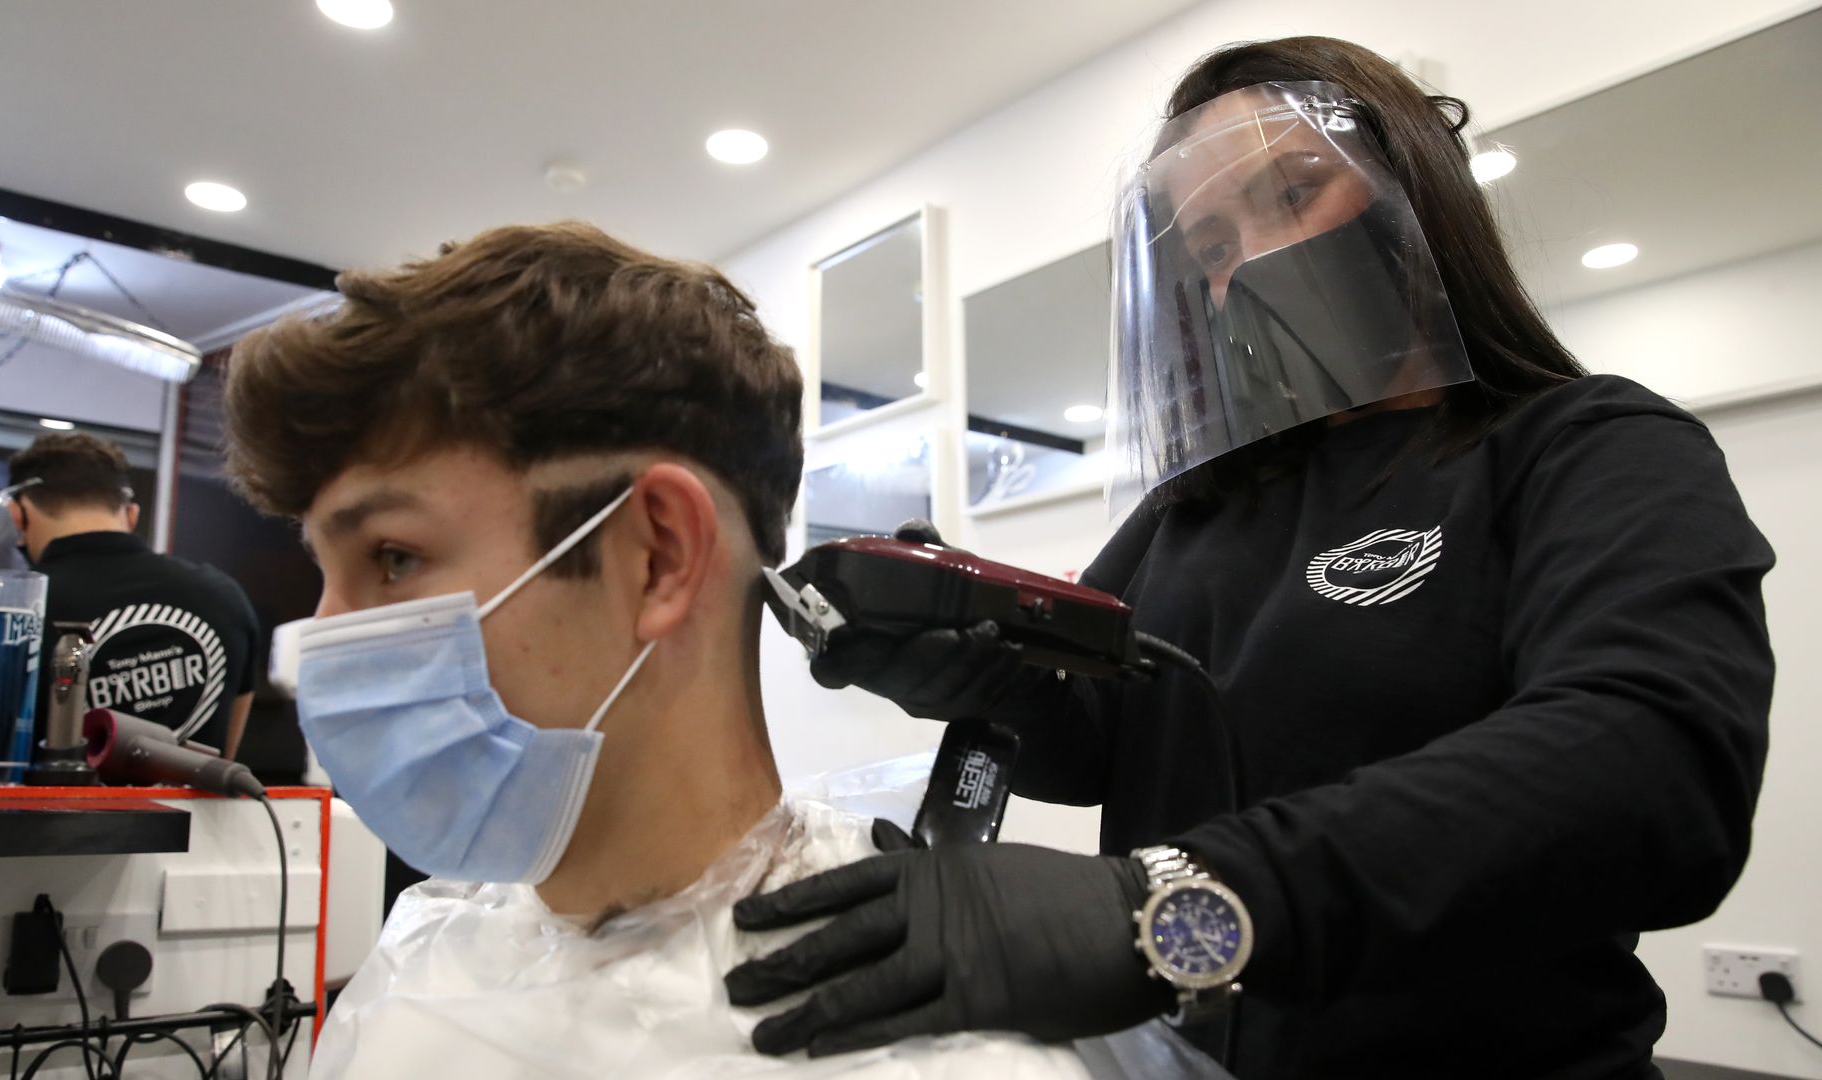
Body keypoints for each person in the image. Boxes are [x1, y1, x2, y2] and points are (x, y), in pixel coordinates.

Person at [726, 37, 1776, 1080]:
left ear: (1414, 187)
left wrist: (1185, 897)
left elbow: (1655, 767)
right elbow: (1099, 737)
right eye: (1214, 245)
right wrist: (975, 671)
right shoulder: (1197, 511)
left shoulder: (1585, 446)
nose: (1254, 261)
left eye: (1295, 193)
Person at [224, 223, 1168, 1078]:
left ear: (659, 557)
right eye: (327, 570)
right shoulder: (423, 956)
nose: (329, 636)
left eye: (392, 557)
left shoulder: (941, 1059)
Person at [3, 433, 260, 757]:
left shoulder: (5, 615)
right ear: (131, 514)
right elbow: (225, 760)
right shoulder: (225, 598)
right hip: (195, 810)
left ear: (18, 515)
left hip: (51, 809)